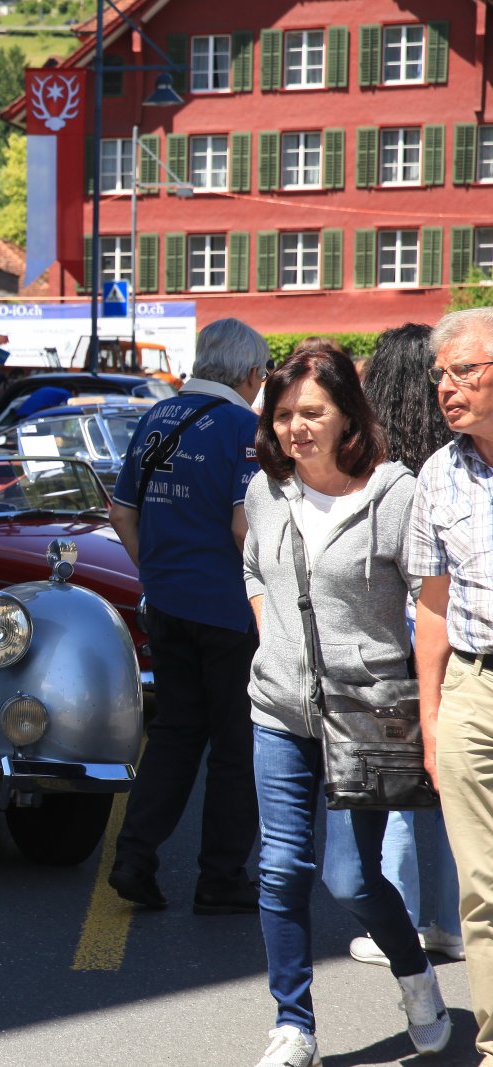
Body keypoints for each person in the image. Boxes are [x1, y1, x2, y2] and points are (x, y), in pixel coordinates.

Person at [243, 347, 449, 1067]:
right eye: (283, 414)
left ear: (347, 417)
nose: (295, 427)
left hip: (366, 716)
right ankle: (292, 1024)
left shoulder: (394, 494)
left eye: (312, 412)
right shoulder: (266, 490)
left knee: (353, 878)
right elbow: (253, 566)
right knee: (279, 868)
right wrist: (276, 639)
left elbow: (431, 598)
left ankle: (415, 976)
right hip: (279, 711)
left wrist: (428, 700)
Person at [106, 317, 265, 914]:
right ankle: (221, 878)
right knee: (235, 745)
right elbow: (243, 526)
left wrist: (156, 573)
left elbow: (121, 512)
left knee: (174, 734)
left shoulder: (156, 417)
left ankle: (133, 857)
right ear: (251, 373)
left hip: (168, 604)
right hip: (228, 608)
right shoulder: (243, 429)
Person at [343, 323, 463, 968]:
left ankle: (402, 918)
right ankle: (451, 919)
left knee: (396, 784)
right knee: (453, 783)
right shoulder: (458, 457)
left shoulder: (373, 463)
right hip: (455, 628)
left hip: (395, 632)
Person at [406, 306, 493, 1063]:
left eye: (464, 370)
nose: (446, 387)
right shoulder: (439, 474)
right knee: (483, 890)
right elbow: (432, 607)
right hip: (472, 687)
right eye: (442, 374)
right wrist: (432, 719)